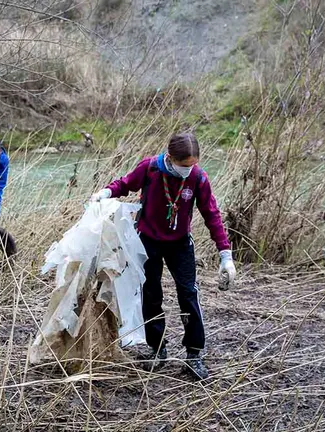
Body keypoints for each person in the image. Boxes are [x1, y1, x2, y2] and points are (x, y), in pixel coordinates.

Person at [90, 132, 236, 380]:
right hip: (147, 242)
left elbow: (211, 215)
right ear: (170, 158)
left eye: (192, 165)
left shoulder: (198, 178)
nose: (188, 170)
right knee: (151, 294)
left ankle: (194, 355)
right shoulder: (150, 169)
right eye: (183, 166)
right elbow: (125, 184)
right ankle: (157, 349)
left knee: (188, 294)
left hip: (180, 244)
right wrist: (105, 193)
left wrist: (225, 255)